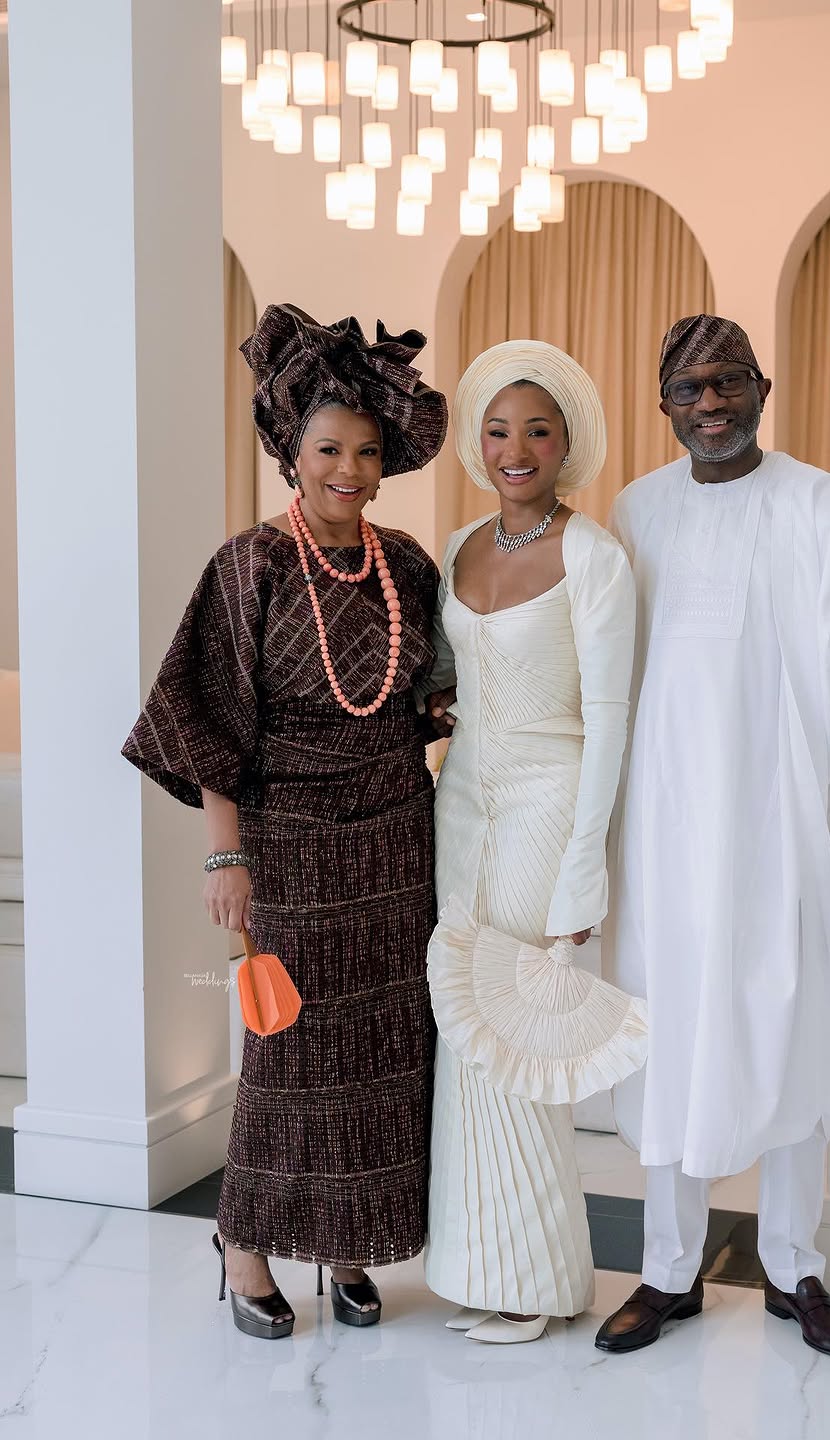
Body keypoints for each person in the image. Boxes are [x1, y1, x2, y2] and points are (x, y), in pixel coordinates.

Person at [597, 315, 830, 1360]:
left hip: (785, 830)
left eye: (729, 381)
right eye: (689, 388)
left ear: (763, 388)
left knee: (794, 1030)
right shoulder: (635, 512)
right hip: (662, 833)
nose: (711, 403)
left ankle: (794, 1269)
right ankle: (668, 1271)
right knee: (666, 1031)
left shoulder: (826, 512)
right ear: (662, 404)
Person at [122, 304, 447, 1339]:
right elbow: (207, 716)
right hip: (289, 839)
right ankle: (247, 1240)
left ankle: (349, 1245)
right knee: (292, 1052)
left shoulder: (408, 565)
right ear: (291, 455)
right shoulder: (250, 564)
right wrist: (225, 854)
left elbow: (432, 696)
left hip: (398, 838)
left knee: (385, 1048)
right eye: (328, 450)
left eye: (366, 452)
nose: (349, 469)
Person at [423, 340, 636, 1344]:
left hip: (548, 803)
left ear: (566, 443)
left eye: (537, 431)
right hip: (460, 800)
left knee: (515, 1031)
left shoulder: (595, 558)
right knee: (462, 1030)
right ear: (479, 442)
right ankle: (478, 1265)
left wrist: (584, 870)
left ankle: (538, 1279)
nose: (517, 449)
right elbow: (442, 681)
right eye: (500, 430)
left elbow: (612, 720)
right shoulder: (459, 543)